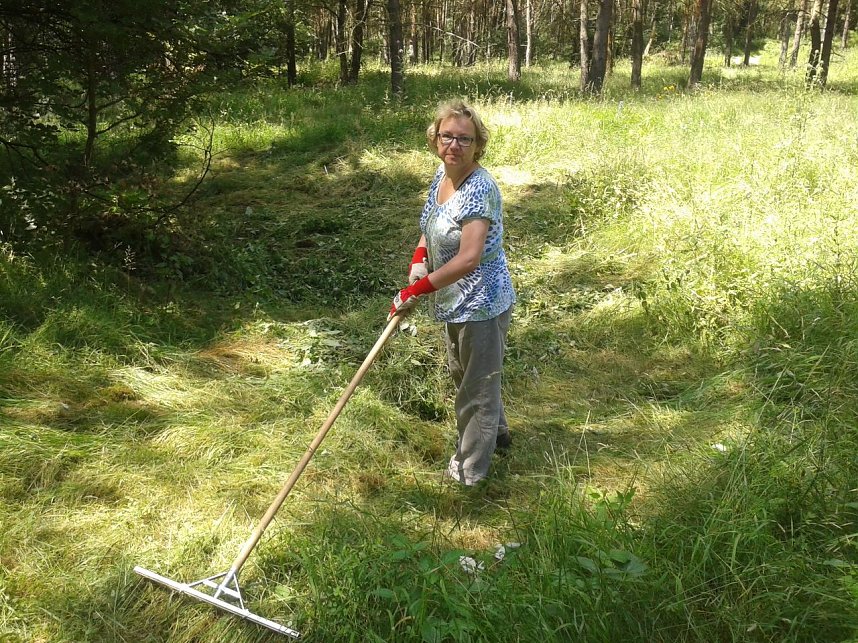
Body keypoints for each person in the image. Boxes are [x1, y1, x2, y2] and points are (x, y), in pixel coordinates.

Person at [389, 99, 516, 486]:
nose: (455, 145)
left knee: (474, 391)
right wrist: (419, 257)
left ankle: (469, 472)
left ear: (478, 144)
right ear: (435, 139)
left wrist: (417, 288)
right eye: (448, 136)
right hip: (452, 297)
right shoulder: (442, 177)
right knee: (469, 375)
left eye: (465, 139)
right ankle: (499, 433)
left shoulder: (479, 188)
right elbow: (431, 224)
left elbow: (468, 259)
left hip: (481, 301)